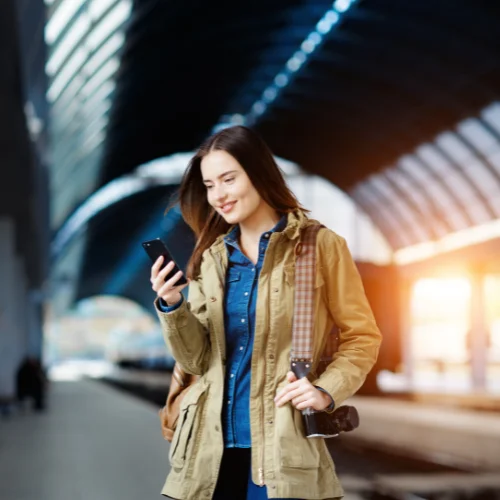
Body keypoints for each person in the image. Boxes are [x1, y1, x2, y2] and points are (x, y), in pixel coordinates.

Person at [150, 126, 382, 500]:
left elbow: (362, 336)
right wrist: (173, 305)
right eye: (210, 185)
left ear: (258, 173)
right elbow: (195, 359)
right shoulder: (212, 260)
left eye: (229, 179)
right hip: (206, 456)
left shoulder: (319, 247)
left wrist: (326, 391)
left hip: (283, 450)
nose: (218, 195)